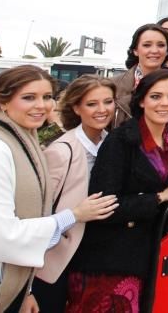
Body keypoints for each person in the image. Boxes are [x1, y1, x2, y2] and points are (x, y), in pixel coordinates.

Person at [67, 69, 168, 313]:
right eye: (156, 97)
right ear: (141, 100)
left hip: (149, 254)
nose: (165, 103)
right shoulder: (121, 141)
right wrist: (161, 197)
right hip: (111, 260)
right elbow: (105, 206)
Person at [0, 66, 117, 313]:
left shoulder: (24, 139)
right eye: (29, 97)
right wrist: (75, 215)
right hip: (1, 281)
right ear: (2, 102)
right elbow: (3, 234)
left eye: (47, 97)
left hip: (18, 278)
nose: (42, 105)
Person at [33, 75, 117, 312]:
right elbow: (36, 215)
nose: (102, 110)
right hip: (56, 263)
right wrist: (77, 213)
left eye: (108, 102)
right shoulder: (62, 151)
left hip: (96, 258)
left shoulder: (113, 145)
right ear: (76, 107)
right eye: (92, 104)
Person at [111, 24, 168, 129]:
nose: (154, 50)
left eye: (161, 45)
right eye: (147, 45)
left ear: (167, 51)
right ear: (135, 50)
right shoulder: (113, 85)